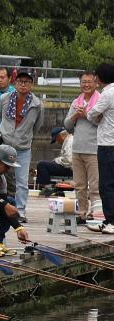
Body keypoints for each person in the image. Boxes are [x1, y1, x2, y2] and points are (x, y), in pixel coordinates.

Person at [0, 66, 41, 210]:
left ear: (31, 84)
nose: (23, 84)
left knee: (21, 181)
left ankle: (20, 210)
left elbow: (37, 126)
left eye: (26, 82)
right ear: (15, 83)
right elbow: (0, 117)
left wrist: (24, 136)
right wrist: (5, 133)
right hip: (4, 145)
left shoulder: (37, 104)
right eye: (20, 81)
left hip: (23, 148)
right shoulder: (4, 98)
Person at [64, 69, 100, 222]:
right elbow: (67, 126)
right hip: (77, 149)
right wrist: (76, 115)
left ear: (96, 83)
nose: (86, 85)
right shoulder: (76, 102)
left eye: (89, 82)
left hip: (94, 149)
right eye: (83, 82)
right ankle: (82, 213)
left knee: (95, 186)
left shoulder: (101, 100)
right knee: (79, 185)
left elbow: (102, 123)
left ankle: (96, 213)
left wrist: (86, 114)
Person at [92, 62, 114, 232]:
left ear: (99, 78)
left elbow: (92, 113)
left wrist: (96, 116)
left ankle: (111, 221)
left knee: (106, 184)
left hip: (107, 144)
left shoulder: (107, 94)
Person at [37, 124, 75, 195]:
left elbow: (69, 161)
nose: (57, 142)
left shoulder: (70, 142)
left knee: (41, 164)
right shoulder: (69, 140)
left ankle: (49, 188)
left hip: (71, 170)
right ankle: (51, 187)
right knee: (48, 166)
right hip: (72, 169)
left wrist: (57, 161)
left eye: (56, 140)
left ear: (60, 136)